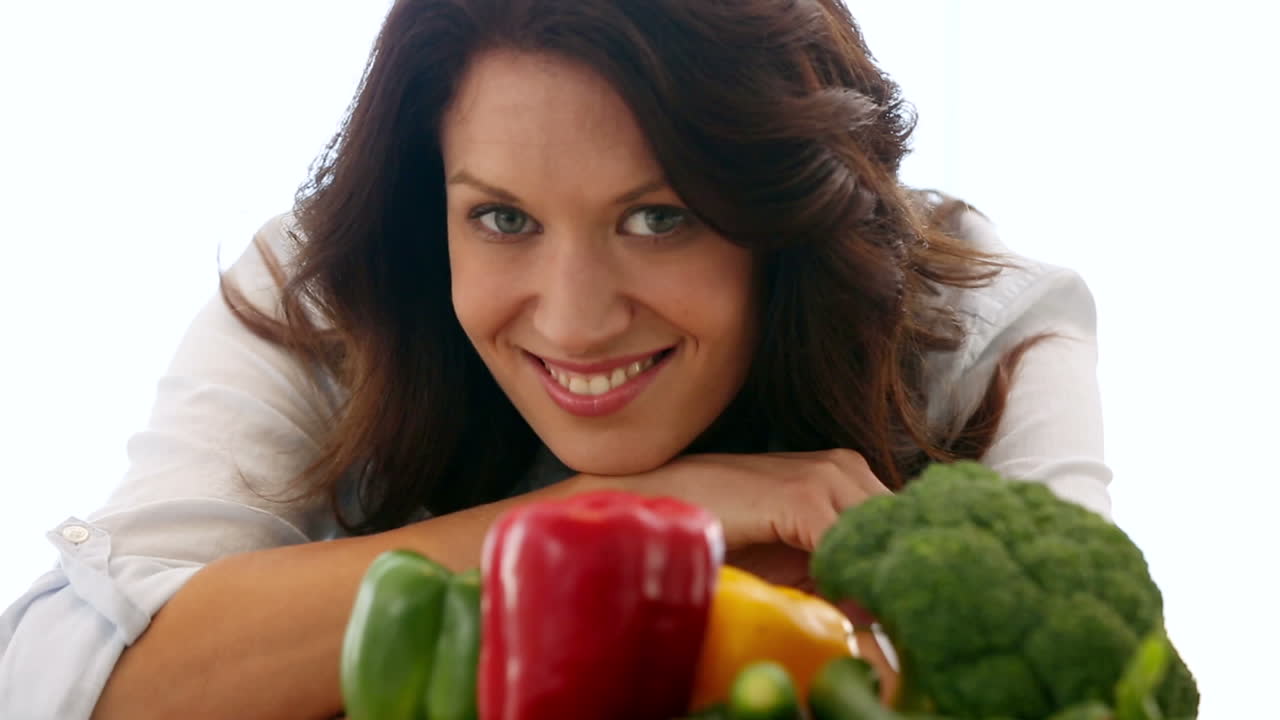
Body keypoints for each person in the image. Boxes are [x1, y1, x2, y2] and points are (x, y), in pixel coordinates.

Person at [0, 0, 1111, 717]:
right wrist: (621, 518)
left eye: (657, 218)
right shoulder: (333, 283)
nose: (574, 324)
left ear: (786, 215)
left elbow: (1102, 681)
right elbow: (70, 686)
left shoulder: (974, 324)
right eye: (500, 219)